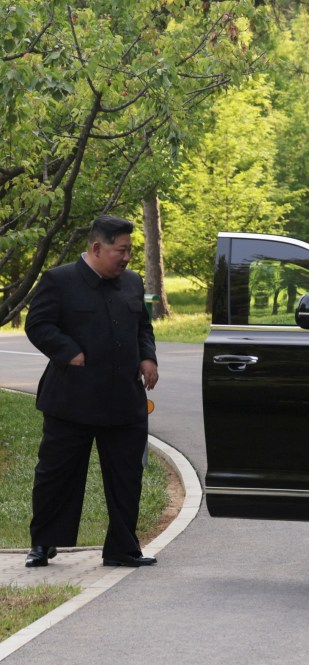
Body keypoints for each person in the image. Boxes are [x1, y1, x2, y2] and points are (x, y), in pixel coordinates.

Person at [24, 215, 159, 568]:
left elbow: (143, 326)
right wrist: (69, 351)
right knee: (56, 476)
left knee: (126, 477)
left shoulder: (131, 283)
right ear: (97, 248)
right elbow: (37, 324)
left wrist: (148, 358)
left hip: (125, 402)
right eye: (121, 250)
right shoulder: (59, 280)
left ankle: (123, 549)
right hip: (72, 400)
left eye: (130, 250)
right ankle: (43, 544)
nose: (127, 257)